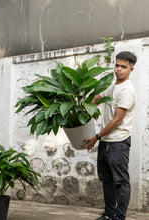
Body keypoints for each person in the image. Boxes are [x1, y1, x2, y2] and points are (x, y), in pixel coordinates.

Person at [82, 51, 137, 220]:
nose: (118, 69)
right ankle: (108, 214)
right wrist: (79, 104)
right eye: (117, 65)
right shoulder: (113, 86)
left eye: (123, 67)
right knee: (106, 181)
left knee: (120, 181)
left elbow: (117, 121)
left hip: (118, 142)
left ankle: (119, 217)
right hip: (106, 141)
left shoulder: (127, 90)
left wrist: (96, 137)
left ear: (131, 69)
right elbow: (98, 98)